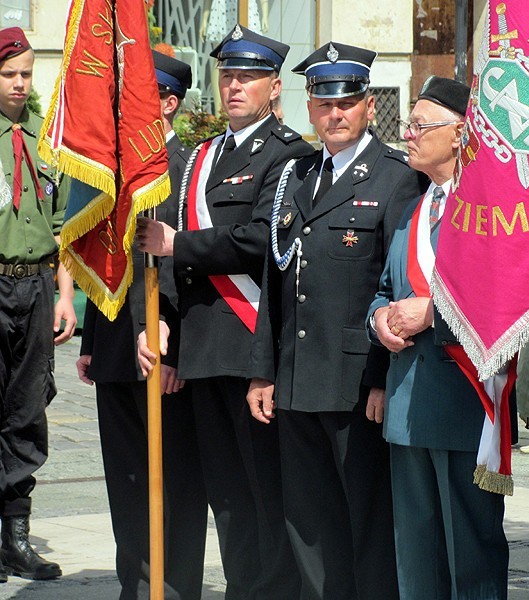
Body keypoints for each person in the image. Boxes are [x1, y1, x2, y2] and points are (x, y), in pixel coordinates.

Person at [136, 25, 314, 598]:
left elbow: (262, 237)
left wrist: (177, 247)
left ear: (273, 86)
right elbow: (169, 240)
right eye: (228, 76)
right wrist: (160, 315)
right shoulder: (202, 155)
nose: (235, 87)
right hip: (201, 349)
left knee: (266, 492)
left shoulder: (291, 155)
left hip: (251, 343)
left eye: (248, 78)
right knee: (227, 496)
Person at [246, 41, 427, 600]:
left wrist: (379, 378)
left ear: (368, 105)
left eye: (347, 102)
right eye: (324, 103)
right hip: (297, 383)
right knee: (307, 524)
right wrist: (264, 370)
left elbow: (400, 285)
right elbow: (276, 280)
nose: (335, 114)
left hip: (355, 387)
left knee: (367, 525)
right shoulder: (296, 175)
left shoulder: (394, 178)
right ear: (309, 106)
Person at [366, 76, 509, 599]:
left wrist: (434, 315)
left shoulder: (491, 210)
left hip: (464, 402)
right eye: (409, 124)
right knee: (417, 557)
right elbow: (383, 291)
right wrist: (380, 321)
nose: (408, 134)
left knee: (469, 554)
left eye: (421, 125)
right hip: (407, 406)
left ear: (458, 134)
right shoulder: (413, 208)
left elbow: (505, 298)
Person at [77, 51, 207, 600]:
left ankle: (171, 589)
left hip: (161, 350)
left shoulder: (183, 169)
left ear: (169, 103)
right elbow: (104, 256)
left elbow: (181, 268)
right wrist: (91, 339)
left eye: (139, 96)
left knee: (172, 485)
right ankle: (136, 587)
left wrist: (172, 347)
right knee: (128, 486)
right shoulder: (117, 168)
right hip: (114, 348)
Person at [0, 27, 76, 582]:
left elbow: (62, 225)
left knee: (27, 412)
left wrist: (64, 295)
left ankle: (15, 536)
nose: (20, 84)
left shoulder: (45, 136)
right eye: (8, 74)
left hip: (36, 287)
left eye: (26, 73)